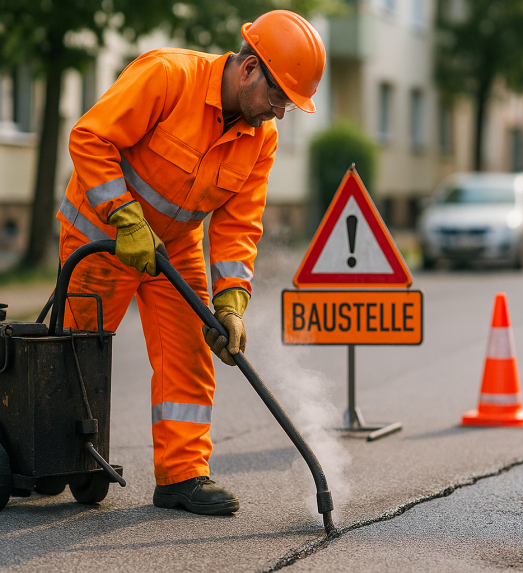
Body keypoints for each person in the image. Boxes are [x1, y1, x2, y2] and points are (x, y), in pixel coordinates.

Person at [55, 10, 326, 515]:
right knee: (74, 355)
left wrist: (231, 302)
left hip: (172, 248)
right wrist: (124, 217)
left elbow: (238, 224)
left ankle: (182, 477)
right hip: (101, 236)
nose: (279, 113)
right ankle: (53, 456)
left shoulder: (259, 138)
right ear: (249, 69)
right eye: (277, 97)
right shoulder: (168, 76)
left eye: (288, 104)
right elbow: (90, 137)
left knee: (191, 353)